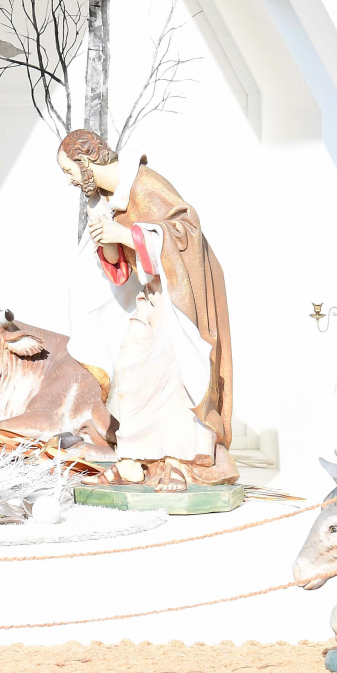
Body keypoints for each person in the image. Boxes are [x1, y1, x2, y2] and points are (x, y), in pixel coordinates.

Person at [58, 129, 237, 491]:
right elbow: (121, 266)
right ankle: (134, 458)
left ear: (85, 160)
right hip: (154, 294)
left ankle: (181, 460)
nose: (69, 180)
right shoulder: (109, 201)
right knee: (131, 367)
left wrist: (123, 235)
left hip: (181, 298)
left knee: (177, 376)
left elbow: (186, 230)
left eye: (69, 170)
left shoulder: (143, 184)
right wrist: (107, 241)